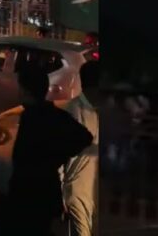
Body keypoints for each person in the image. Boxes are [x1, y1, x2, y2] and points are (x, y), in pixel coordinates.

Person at [2, 66, 93, 236]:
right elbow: (83, 137)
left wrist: (56, 155)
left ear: (25, 90)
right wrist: (59, 155)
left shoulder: (35, 116)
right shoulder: (52, 115)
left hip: (28, 194)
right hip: (45, 191)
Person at [60, 61, 100, 236]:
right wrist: (61, 193)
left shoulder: (100, 109)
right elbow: (60, 155)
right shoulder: (73, 111)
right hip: (77, 187)